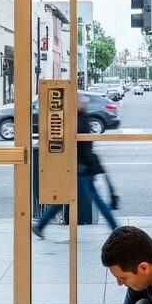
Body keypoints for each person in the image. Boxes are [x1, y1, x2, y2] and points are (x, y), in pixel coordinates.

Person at [31, 96, 118, 238]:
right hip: (83, 167)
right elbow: (82, 147)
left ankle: (40, 225)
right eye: (81, 102)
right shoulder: (80, 120)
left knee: (65, 198)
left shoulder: (76, 119)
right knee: (95, 200)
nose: (84, 103)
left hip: (80, 166)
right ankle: (115, 227)